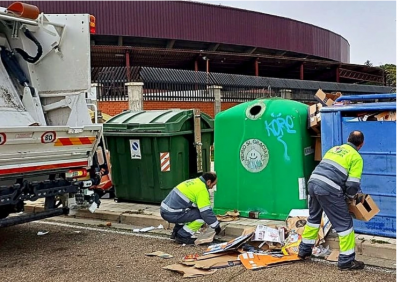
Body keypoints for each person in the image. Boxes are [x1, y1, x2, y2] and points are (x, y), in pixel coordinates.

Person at [298, 130, 365, 270]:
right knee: (345, 224)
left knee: (314, 218)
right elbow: (352, 184)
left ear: (348, 139)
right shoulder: (356, 157)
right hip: (328, 188)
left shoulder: (334, 149)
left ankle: (304, 250)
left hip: (313, 182)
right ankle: (346, 261)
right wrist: (349, 197)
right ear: (361, 145)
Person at [160, 172, 221, 245]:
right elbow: (205, 212)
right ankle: (182, 236)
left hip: (166, 210)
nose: (212, 187)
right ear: (208, 182)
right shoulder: (202, 189)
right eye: (213, 184)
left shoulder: (193, 181)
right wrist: (216, 226)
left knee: (190, 212)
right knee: (201, 216)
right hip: (172, 213)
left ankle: (176, 232)